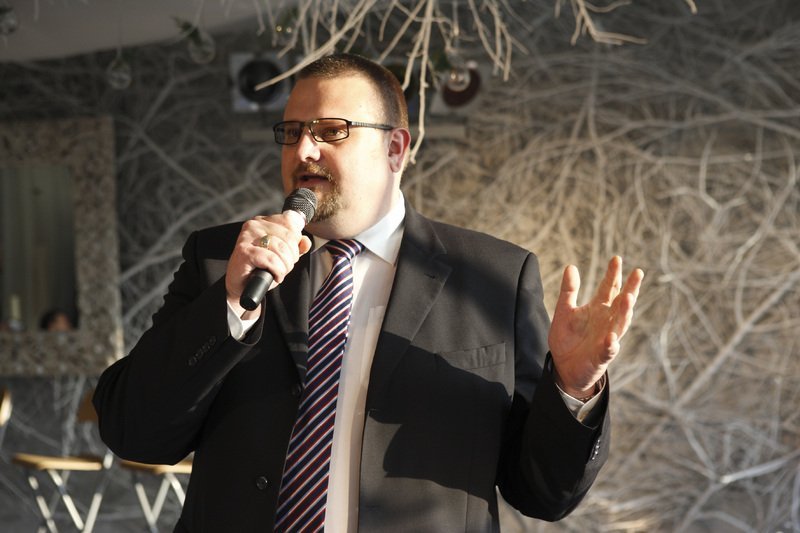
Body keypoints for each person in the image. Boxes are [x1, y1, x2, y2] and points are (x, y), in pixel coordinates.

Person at [94, 53, 643, 532]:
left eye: (331, 130)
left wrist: (573, 389)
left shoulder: (493, 278)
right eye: (292, 131)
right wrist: (230, 307)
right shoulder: (222, 259)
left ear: (395, 149)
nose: (303, 149)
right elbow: (133, 432)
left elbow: (543, 494)